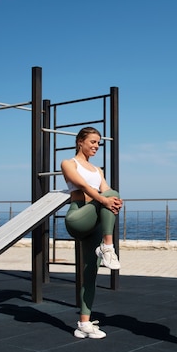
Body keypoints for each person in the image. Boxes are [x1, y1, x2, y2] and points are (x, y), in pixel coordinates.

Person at [61, 126, 123, 339]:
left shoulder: (99, 170)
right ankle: (108, 246)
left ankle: (83, 323)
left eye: (98, 143)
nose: (96, 146)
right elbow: (82, 186)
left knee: (90, 272)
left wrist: (114, 202)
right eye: (93, 142)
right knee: (110, 195)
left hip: (95, 221)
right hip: (77, 217)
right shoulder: (69, 163)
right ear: (80, 141)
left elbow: (106, 191)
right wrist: (106, 199)